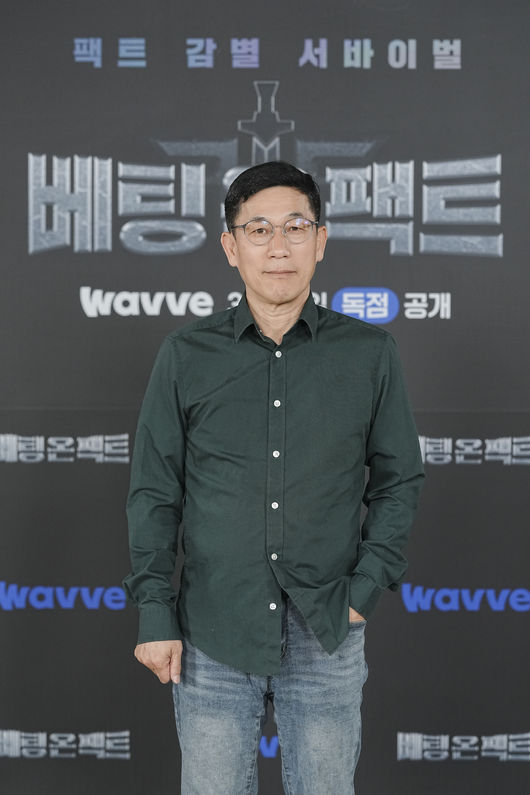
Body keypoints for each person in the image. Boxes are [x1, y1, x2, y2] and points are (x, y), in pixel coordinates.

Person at [124, 161, 424, 794]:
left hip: (327, 628)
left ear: (321, 240)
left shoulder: (370, 354)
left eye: (295, 226)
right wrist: (154, 610)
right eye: (258, 229)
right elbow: (155, 491)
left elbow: (398, 481)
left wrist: (365, 589)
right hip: (213, 630)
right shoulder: (185, 355)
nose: (278, 246)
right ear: (231, 247)